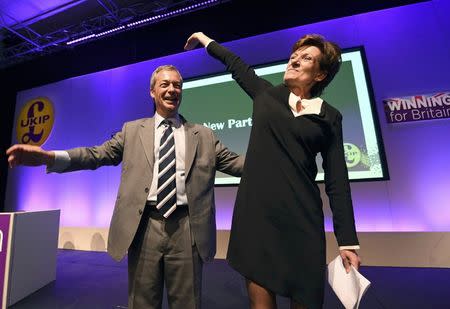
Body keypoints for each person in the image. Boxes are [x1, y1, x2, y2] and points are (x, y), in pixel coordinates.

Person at [6, 65, 244, 309]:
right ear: (152, 92)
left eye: (177, 85)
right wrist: (50, 157)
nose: (172, 90)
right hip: (144, 228)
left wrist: (280, 153)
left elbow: (238, 164)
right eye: (165, 85)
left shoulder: (203, 135)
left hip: (188, 229)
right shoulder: (132, 131)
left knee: (187, 304)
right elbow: (96, 155)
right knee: (142, 302)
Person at [184, 33, 361, 309]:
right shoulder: (267, 95)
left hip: (303, 223)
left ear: (320, 74)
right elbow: (236, 64)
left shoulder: (330, 117)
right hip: (258, 220)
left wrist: (347, 241)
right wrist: (206, 40)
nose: (295, 59)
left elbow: (338, 182)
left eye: (306, 58)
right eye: (295, 55)